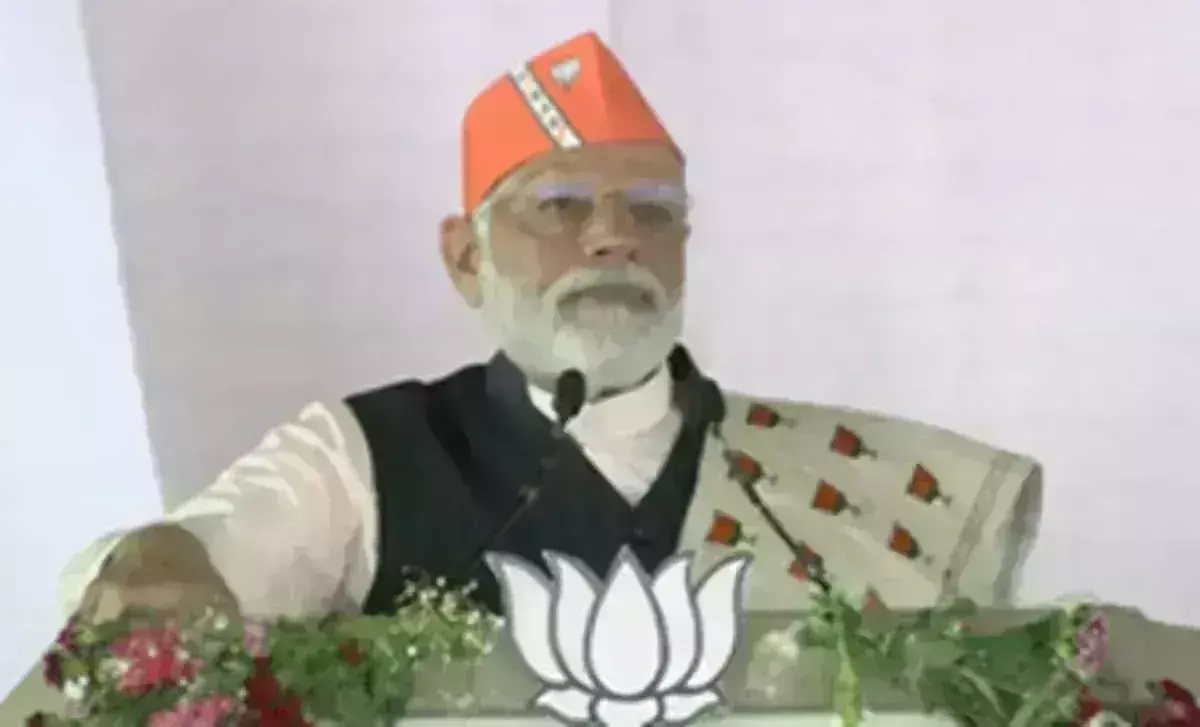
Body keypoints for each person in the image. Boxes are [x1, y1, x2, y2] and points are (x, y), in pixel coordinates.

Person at [62, 30, 1043, 625]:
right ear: (465, 257)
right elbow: (197, 556)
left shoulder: (830, 479)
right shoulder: (364, 456)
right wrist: (159, 564)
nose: (614, 236)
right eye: (560, 205)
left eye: (653, 211)